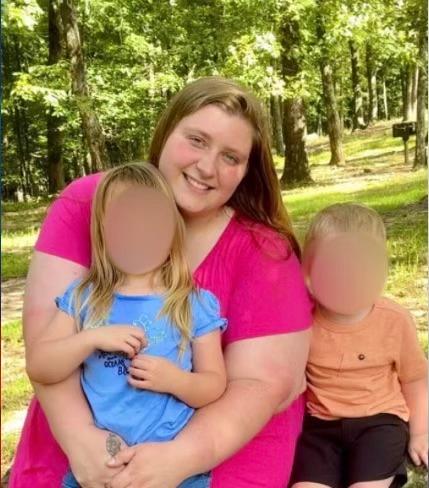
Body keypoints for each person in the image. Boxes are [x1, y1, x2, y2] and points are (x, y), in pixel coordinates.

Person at [10, 76, 312, 488]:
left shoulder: (262, 253)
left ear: (247, 171)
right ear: (166, 131)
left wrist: (178, 460)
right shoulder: (92, 204)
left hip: (213, 445)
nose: (207, 167)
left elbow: (261, 383)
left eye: (231, 157)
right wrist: (83, 443)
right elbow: (44, 348)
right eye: (197, 140)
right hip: (79, 436)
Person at [25, 162, 227, 488]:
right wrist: (91, 339)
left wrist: (175, 381)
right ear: (102, 233)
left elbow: (214, 384)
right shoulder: (84, 298)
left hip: (173, 475)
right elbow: (40, 365)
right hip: (99, 471)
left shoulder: (192, 303)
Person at [289, 202, 428, 488]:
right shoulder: (302, 320)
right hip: (321, 427)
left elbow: (415, 379)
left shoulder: (394, 320)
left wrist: (421, 432)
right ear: (308, 272)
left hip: (380, 423)